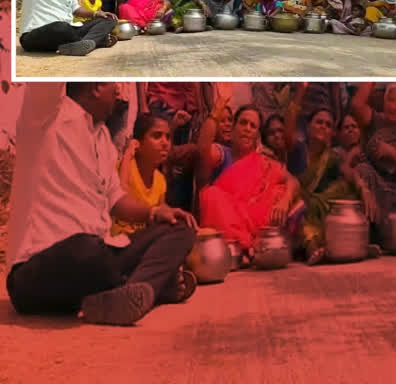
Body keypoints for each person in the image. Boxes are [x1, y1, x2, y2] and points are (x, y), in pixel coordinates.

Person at [6, 83, 198, 326]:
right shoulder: (46, 117)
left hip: (98, 258)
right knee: (88, 251)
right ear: (95, 88)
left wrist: (154, 212)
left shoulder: (103, 137)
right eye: (112, 83)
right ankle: (153, 285)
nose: (119, 91)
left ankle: (133, 292)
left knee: (181, 229)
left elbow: (116, 200)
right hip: (37, 271)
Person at [198, 103, 301, 257]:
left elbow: (293, 181)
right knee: (211, 195)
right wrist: (215, 114)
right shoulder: (222, 153)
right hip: (228, 222)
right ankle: (246, 247)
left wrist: (285, 200)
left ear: (257, 136)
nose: (247, 128)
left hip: (255, 223)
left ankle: (254, 247)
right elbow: (203, 149)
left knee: (283, 193)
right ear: (233, 129)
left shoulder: (264, 161)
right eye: (243, 123)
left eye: (253, 126)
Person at [298, 109, 378, 265]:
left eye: (328, 125)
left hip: (317, 208)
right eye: (319, 122)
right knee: (304, 207)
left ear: (332, 133)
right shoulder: (297, 149)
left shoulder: (332, 157)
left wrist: (363, 188)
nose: (323, 127)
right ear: (308, 127)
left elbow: (347, 171)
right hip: (296, 210)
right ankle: (312, 247)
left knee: (348, 189)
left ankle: (357, 242)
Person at [351, 83, 396, 233]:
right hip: (368, 185)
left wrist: (392, 153)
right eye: (390, 100)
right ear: (384, 101)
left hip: (395, 192)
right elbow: (357, 105)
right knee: (362, 170)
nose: (393, 107)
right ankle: (365, 232)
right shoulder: (374, 119)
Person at [112, 114, 172, 236]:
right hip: (116, 243)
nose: (165, 143)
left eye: (168, 137)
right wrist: (128, 153)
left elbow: (160, 215)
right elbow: (123, 196)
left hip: (142, 243)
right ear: (137, 143)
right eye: (157, 136)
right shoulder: (123, 166)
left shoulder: (160, 180)